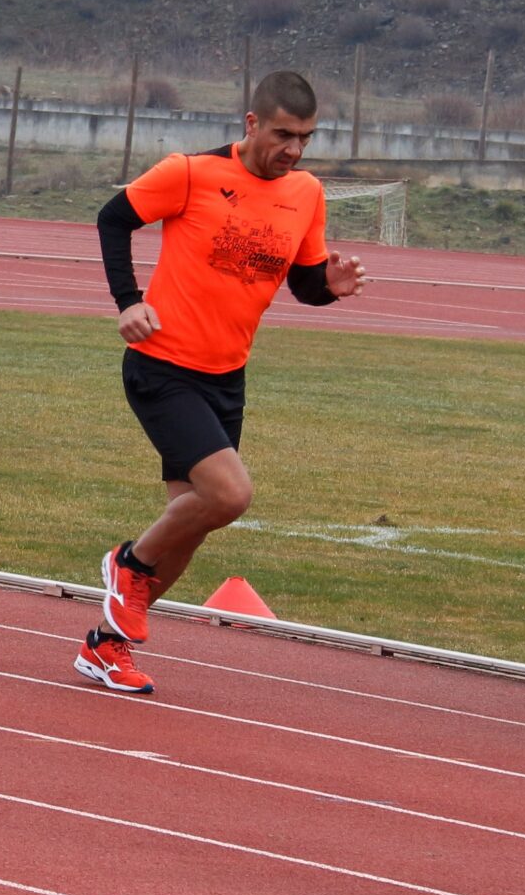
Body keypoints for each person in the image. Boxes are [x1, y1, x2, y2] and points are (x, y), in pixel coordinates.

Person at [85, 70, 368, 694]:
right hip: (163, 366)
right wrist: (128, 301)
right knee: (230, 496)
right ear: (251, 125)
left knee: (188, 526)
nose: (293, 149)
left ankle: (108, 645)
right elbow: (112, 219)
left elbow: (302, 280)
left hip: (226, 376)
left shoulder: (307, 192)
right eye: (283, 134)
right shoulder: (190, 172)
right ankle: (125, 565)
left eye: (306, 138)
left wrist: (329, 288)